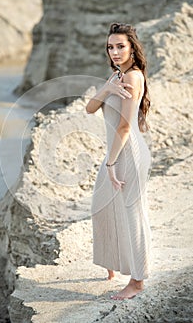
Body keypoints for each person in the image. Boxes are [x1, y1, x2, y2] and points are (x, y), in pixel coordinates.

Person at [86, 22, 151, 300]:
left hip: (127, 152)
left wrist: (110, 165)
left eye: (120, 46)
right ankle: (113, 261)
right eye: (110, 47)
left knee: (132, 214)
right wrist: (107, 90)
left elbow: (125, 126)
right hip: (115, 152)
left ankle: (137, 282)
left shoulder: (133, 77)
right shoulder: (116, 78)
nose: (114, 51)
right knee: (101, 207)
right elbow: (90, 108)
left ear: (132, 48)